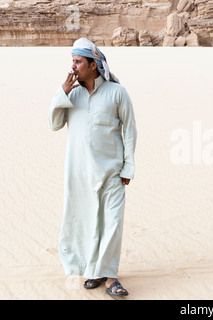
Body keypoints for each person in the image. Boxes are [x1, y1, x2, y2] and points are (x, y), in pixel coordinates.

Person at [49, 38, 137, 297]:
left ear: (94, 64)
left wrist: (127, 167)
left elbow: (129, 130)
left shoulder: (117, 92)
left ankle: (110, 277)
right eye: (72, 61)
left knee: (112, 223)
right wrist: (61, 93)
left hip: (111, 172)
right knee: (87, 222)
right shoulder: (72, 95)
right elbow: (54, 124)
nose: (73, 67)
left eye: (78, 61)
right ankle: (94, 270)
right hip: (79, 174)